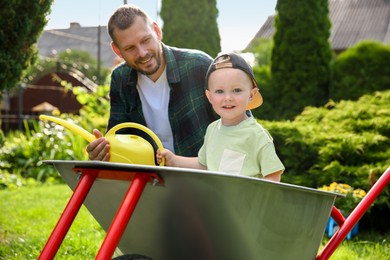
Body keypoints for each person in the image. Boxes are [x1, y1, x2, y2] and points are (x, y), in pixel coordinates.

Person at [86, 4, 218, 161]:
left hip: (206, 175)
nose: (142, 53)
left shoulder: (199, 65)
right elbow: (119, 137)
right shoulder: (120, 79)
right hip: (152, 180)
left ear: (157, 31)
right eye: (130, 48)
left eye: (146, 40)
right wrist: (104, 151)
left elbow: (241, 123)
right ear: (117, 51)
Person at [157, 53, 285, 181]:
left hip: (244, 201)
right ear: (209, 97)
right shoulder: (212, 129)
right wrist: (174, 161)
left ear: (251, 95)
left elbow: (273, 174)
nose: (227, 98)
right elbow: (204, 165)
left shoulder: (256, 135)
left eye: (236, 90)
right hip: (216, 200)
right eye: (219, 91)